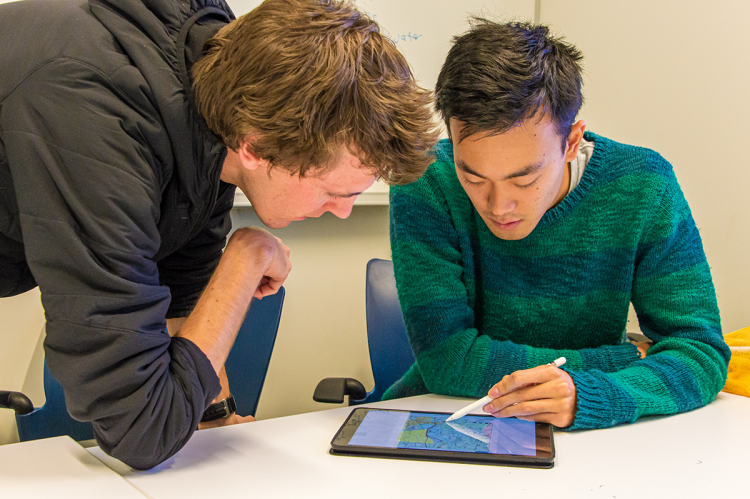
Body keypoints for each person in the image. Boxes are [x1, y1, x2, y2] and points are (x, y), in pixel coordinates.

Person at [0, 0, 438, 469]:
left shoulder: (224, 80)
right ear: (254, 146)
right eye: (334, 191)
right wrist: (245, 259)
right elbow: (137, 431)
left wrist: (214, 417)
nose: (345, 211)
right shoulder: (98, 116)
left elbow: (183, 292)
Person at [385, 19, 730, 430]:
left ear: (570, 142)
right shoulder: (427, 181)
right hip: (444, 417)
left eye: (524, 178)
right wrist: (620, 357)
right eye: (473, 176)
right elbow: (448, 361)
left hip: (590, 442)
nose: (498, 205)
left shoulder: (644, 186)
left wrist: (589, 394)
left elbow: (701, 352)